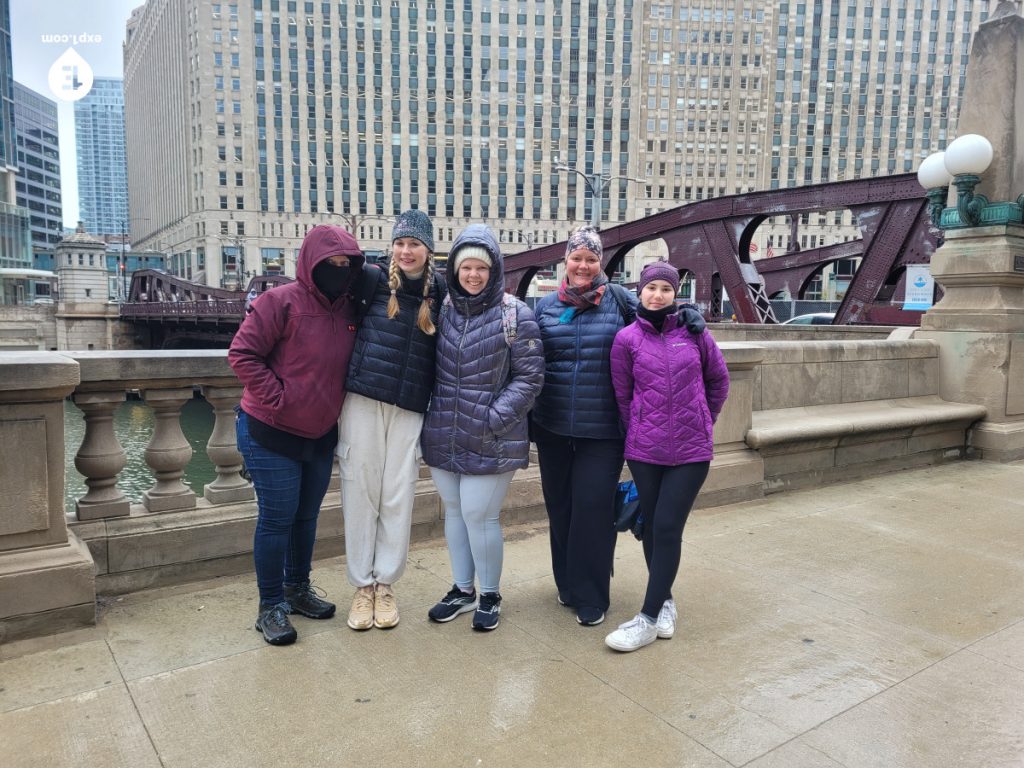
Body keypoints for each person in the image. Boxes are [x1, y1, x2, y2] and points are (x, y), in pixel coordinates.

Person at [228, 225, 365, 646]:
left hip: (320, 433)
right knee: (276, 518)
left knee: (306, 517)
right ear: (311, 264)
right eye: (331, 265)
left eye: (347, 265)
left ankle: (296, 588)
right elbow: (242, 354)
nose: (339, 272)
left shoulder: (348, 310)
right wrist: (280, 398)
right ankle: (269, 605)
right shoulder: (278, 302)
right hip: (271, 430)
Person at [420, 224, 544, 631]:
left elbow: (529, 378)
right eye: (465, 267)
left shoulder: (515, 313)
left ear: (495, 271)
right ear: (454, 270)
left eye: (482, 268)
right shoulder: (442, 310)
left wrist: (493, 418)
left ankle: (489, 593)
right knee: (454, 512)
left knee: (479, 514)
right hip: (444, 430)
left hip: (492, 433)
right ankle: (462, 589)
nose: (473, 275)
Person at [605, 261, 729, 652]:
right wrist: (640, 426)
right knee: (652, 525)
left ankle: (646, 618)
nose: (657, 295)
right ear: (639, 291)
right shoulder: (626, 340)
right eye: (651, 288)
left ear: (675, 294)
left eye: (666, 288)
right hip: (646, 450)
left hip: (692, 450)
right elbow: (623, 396)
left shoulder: (695, 334)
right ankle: (666, 602)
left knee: (669, 526)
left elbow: (719, 380)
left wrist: (703, 420)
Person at [338, 210, 445, 631]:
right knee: (359, 490)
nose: (406, 251)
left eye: (414, 244)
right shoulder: (371, 279)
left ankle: (386, 584)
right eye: (400, 243)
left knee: (397, 496)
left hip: (411, 404)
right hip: (363, 397)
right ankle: (362, 586)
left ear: (427, 249)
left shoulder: (441, 290)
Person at [531, 226, 638, 627]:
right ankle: (568, 584)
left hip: (603, 429)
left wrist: (687, 319)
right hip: (553, 425)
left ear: (601, 263)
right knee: (560, 508)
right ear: (566, 262)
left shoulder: (621, 301)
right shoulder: (543, 308)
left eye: (591, 259)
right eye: (577, 258)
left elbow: (658, 325)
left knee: (593, 510)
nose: (583, 265)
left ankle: (592, 594)